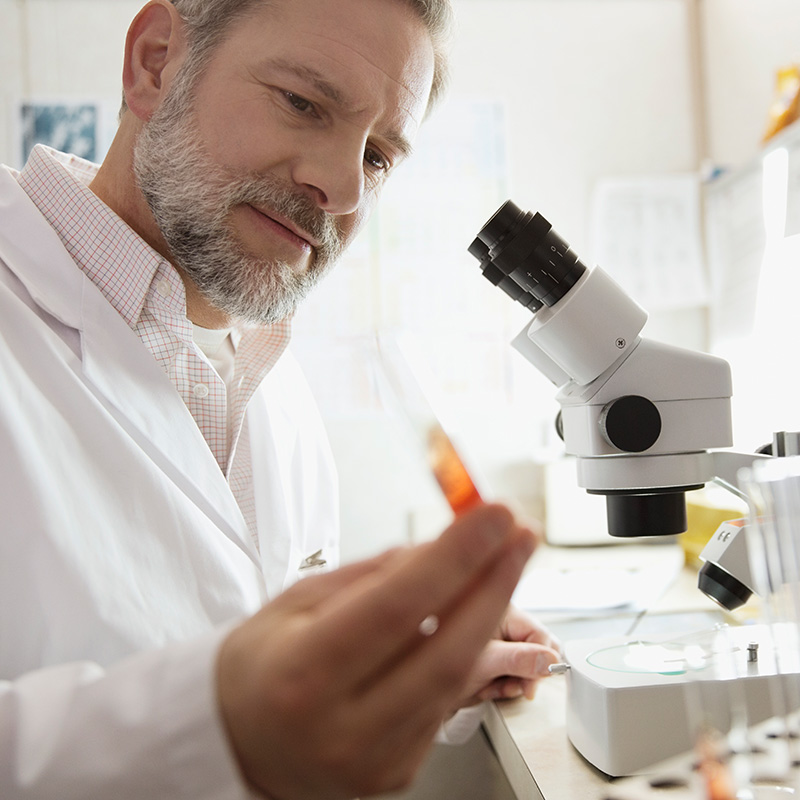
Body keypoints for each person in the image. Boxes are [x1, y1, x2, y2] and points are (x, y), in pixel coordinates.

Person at [0, 0, 560, 797]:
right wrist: (219, 731)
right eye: (303, 103)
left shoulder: (268, 377)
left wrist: (397, 670)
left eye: (376, 157)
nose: (336, 187)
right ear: (155, 62)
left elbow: (245, 652)